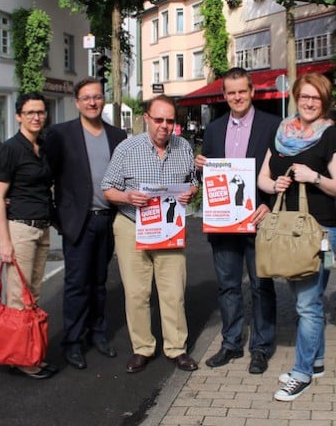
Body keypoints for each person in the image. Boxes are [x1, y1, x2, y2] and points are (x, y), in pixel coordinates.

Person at [257, 73, 336, 401]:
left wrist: (315, 177)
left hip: (323, 233)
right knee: (307, 300)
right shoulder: (281, 132)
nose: (309, 102)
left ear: (324, 102)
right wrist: (274, 185)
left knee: (308, 304)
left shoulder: (331, 137)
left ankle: (302, 373)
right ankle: (317, 360)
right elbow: (263, 177)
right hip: (288, 230)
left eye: (316, 98)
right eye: (304, 96)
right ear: (296, 95)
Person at [101, 95, 200, 374]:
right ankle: (142, 348)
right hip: (132, 225)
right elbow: (107, 188)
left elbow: (193, 180)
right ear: (146, 118)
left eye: (170, 121)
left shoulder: (184, 147)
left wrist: (191, 190)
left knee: (173, 292)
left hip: (169, 228)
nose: (165, 126)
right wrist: (127, 196)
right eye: (159, 120)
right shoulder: (127, 148)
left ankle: (177, 349)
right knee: (136, 293)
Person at [195, 67, 280, 374]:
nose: (237, 97)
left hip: (258, 219)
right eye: (231, 93)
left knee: (261, 287)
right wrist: (201, 167)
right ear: (225, 95)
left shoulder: (273, 125)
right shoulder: (215, 129)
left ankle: (261, 347)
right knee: (228, 286)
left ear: (252, 91)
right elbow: (213, 177)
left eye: (242, 91)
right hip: (224, 224)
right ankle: (231, 343)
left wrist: (270, 206)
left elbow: (282, 171)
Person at [44, 77, 127, 370]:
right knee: (76, 285)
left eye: (97, 97)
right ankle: (73, 342)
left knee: (99, 283)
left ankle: (98, 334)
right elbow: (46, 178)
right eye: (86, 98)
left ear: (103, 100)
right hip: (78, 224)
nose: (93, 102)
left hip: (108, 221)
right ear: (77, 102)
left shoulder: (117, 136)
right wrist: (60, 220)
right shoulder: (61, 134)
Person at [0, 92, 57, 379]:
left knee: (33, 295)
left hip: (40, 229)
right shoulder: (10, 149)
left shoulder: (41, 146)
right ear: (18, 116)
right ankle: (21, 359)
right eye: (30, 112)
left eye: (40, 112)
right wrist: (4, 242)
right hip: (19, 229)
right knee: (18, 297)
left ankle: (27, 351)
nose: (36, 117)